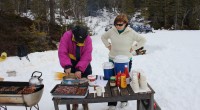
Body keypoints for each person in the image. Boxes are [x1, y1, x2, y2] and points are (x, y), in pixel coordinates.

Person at [101, 14, 146, 110]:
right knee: (112, 81)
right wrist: (108, 45)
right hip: (113, 59)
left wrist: (134, 48)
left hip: (125, 61)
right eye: (116, 24)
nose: (117, 26)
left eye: (120, 24)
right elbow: (103, 37)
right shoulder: (112, 31)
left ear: (125, 24)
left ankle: (124, 100)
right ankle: (112, 103)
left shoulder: (131, 32)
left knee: (123, 81)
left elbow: (143, 40)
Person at [58, 24, 92, 110]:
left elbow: (87, 55)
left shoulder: (88, 39)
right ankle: (74, 103)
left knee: (84, 83)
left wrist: (79, 69)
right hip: (70, 61)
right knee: (72, 84)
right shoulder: (67, 35)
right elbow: (62, 51)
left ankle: (85, 102)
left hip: (84, 62)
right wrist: (67, 65)